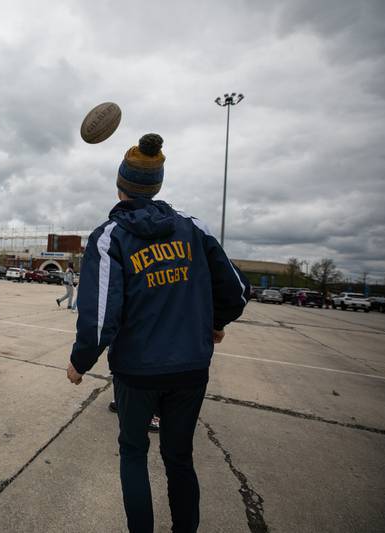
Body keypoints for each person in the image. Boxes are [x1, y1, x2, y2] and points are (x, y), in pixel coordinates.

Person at [66, 134, 250, 532]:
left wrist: (80, 360)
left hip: (137, 371)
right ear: (158, 186)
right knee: (179, 457)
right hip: (190, 367)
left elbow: (100, 317)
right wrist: (218, 321)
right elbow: (236, 289)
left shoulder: (109, 236)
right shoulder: (193, 229)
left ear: (120, 185)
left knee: (133, 453)